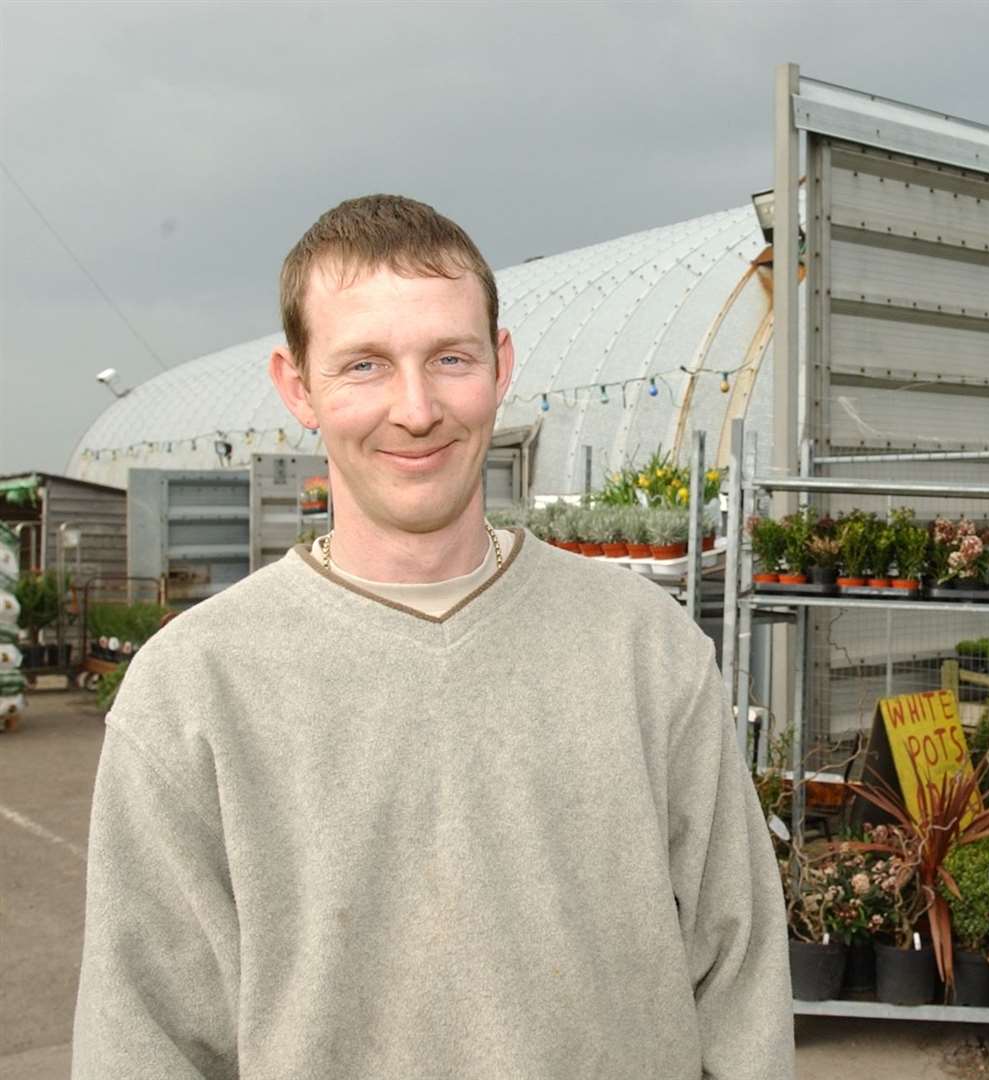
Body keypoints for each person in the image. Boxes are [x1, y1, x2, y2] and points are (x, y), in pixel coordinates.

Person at [71, 195, 793, 1078]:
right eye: (364, 365)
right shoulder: (195, 688)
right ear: (296, 386)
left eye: (449, 359)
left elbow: (740, 983)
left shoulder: (647, 652)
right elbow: (141, 1038)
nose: (415, 410)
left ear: (501, 364)